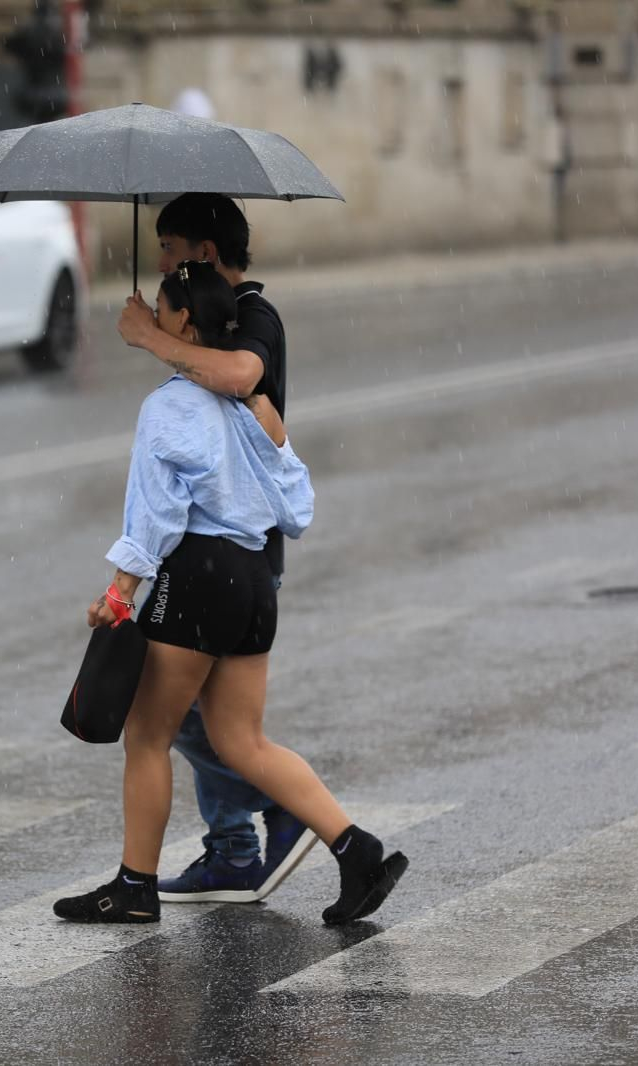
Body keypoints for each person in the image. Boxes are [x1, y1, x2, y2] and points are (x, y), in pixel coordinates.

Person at [53, 261, 407, 926]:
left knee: (149, 735)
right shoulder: (257, 408)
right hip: (253, 580)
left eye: (162, 308)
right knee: (242, 741)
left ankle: (134, 886)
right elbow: (296, 505)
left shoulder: (167, 407)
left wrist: (119, 594)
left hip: (198, 576)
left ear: (186, 321)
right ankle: (358, 850)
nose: (155, 319)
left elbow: (154, 517)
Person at [116, 194, 312, 905]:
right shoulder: (217, 311)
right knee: (200, 719)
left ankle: (277, 807)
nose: (161, 261)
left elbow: (239, 377)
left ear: (202, 251)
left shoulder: (251, 311)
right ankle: (233, 849)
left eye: (169, 248)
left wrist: (152, 338)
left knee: (184, 723)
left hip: (234, 553)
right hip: (225, 555)